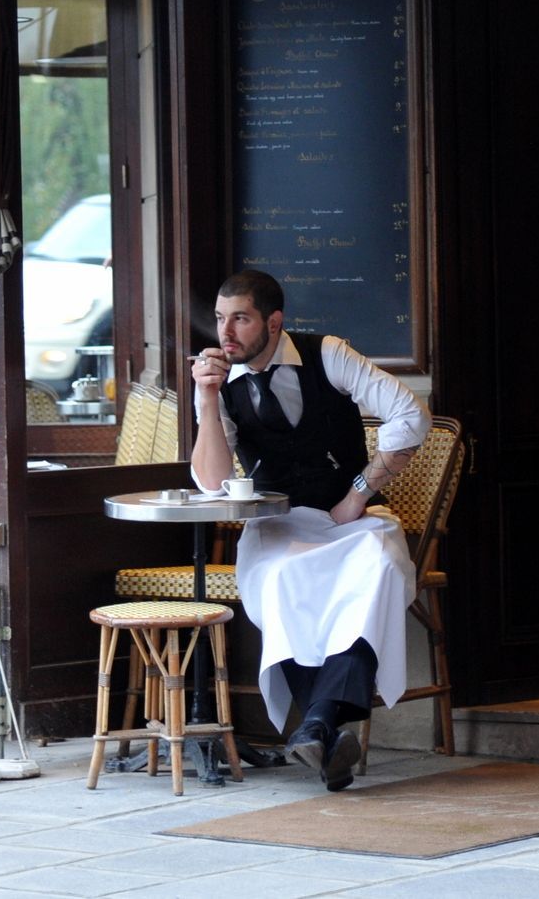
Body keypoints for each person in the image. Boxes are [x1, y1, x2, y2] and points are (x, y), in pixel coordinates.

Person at [190, 269, 431, 791]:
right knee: (279, 580)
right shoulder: (219, 382)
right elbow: (211, 481)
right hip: (278, 523)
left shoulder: (327, 353)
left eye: (240, 319)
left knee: (381, 566)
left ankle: (315, 725)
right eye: (219, 318)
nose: (225, 332)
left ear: (273, 322)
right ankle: (323, 725)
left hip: (350, 516)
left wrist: (360, 492)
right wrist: (206, 401)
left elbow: (410, 415)